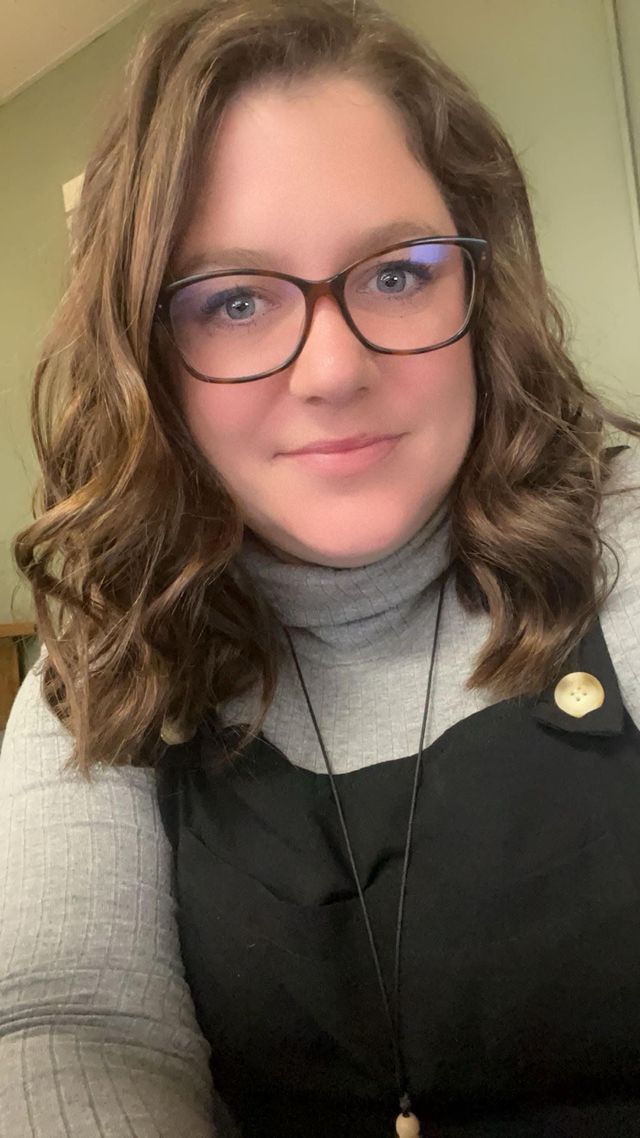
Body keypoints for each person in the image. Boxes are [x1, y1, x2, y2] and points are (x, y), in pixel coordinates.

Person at [1, 0, 640, 1134]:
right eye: (234, 301)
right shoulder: (101, 656)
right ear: (147, 356)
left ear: (478, 291)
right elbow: (75, 1021)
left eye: (397, 274)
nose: (334, 372)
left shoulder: (624, 538)